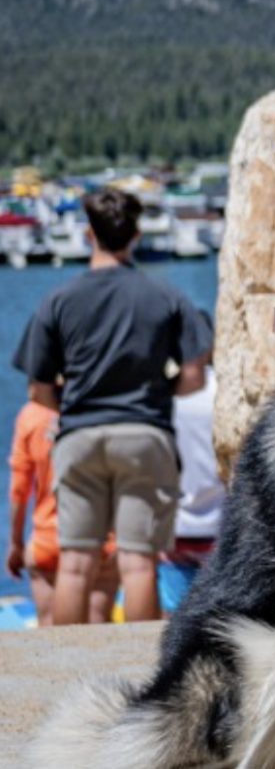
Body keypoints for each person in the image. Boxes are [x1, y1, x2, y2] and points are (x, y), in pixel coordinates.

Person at [11, 187, 212, 625]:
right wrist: (157, 395)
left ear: (88, 235)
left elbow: (38, 392)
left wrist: (75, 405)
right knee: (138, 561)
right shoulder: (166, 296)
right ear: (136, 236)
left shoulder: (58, 300)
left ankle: (62, 668)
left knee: (76, 563)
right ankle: (139, 669)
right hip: (145, 435)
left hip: (79, 436)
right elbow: (195, 375)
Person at [7, 398, 119, 622]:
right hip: (99, 538)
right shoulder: (102, 405)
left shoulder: (32, 413)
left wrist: (16, 543)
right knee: (99, 625)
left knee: (49, 630)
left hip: (47, 539)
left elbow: (19, 488)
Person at [158, 321, 223, 612]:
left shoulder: (163, 395)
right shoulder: (223, 389)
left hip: (176, 529)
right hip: (221, 527)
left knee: (172, 619)